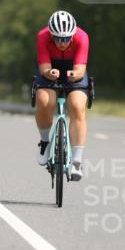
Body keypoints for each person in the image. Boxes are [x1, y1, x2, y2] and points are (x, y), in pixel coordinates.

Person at [33, 10, 89, 181]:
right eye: (57, 38)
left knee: (77, 106)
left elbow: (80, 70)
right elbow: (44, 68)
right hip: (51, 69)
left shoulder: (82, 37)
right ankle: (44, 141)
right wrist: (50, 73)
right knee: (44, 101)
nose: (62, 42)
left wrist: (74, 75)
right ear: (51, 34)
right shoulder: (42, 36)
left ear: (72, 35)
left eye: (66, 39)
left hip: (74, 70)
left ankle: (77, 161)